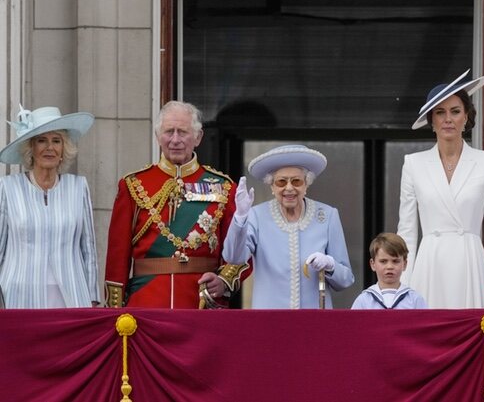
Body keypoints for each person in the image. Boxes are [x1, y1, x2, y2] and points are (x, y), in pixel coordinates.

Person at [105, 101, 249, 309]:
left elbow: (241, 248)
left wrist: (224, 281)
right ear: (157, 137)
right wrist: (115, 310)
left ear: (198, 137)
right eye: (168, 132)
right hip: (146, 302)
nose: (175, 140)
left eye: (182, 132)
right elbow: (117, 255)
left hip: (200, 302)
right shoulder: (133, 185)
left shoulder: (224, 187)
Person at [397, 69, 484, 308]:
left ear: (466, 117)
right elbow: (407, 232)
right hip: (430, 263)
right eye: (440, 112)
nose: (448, 119)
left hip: (471, 263)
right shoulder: (413, 164)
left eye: (455, 111)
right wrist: (403, 285)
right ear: (431, 120)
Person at [222, 145, 355, 308]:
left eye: (297, 181)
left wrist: (331, 265)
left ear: (307, 184)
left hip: (314, 320)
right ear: (272, 186)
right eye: (281, 182)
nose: (289, 188)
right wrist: (240, 217)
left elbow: (345, 280)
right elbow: (233, 257)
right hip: (271, 320)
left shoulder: (327, 215)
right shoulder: (256, 216)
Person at [0, 105, 100, 308]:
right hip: (19, 296)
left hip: (71, 295)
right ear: (31, 148)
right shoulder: (8, 188)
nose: (50, 147)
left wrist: (92, 296)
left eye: (56, 141)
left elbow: (88, 248)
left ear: (64, 149)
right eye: (41, 140)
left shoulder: (78, 187)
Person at [351, 232, 427, 309]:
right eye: (383, 261)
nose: (390, 267)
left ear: (404, 264)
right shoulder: (363, 300)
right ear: (373, 264)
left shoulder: (415, 300)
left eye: (395, 261)